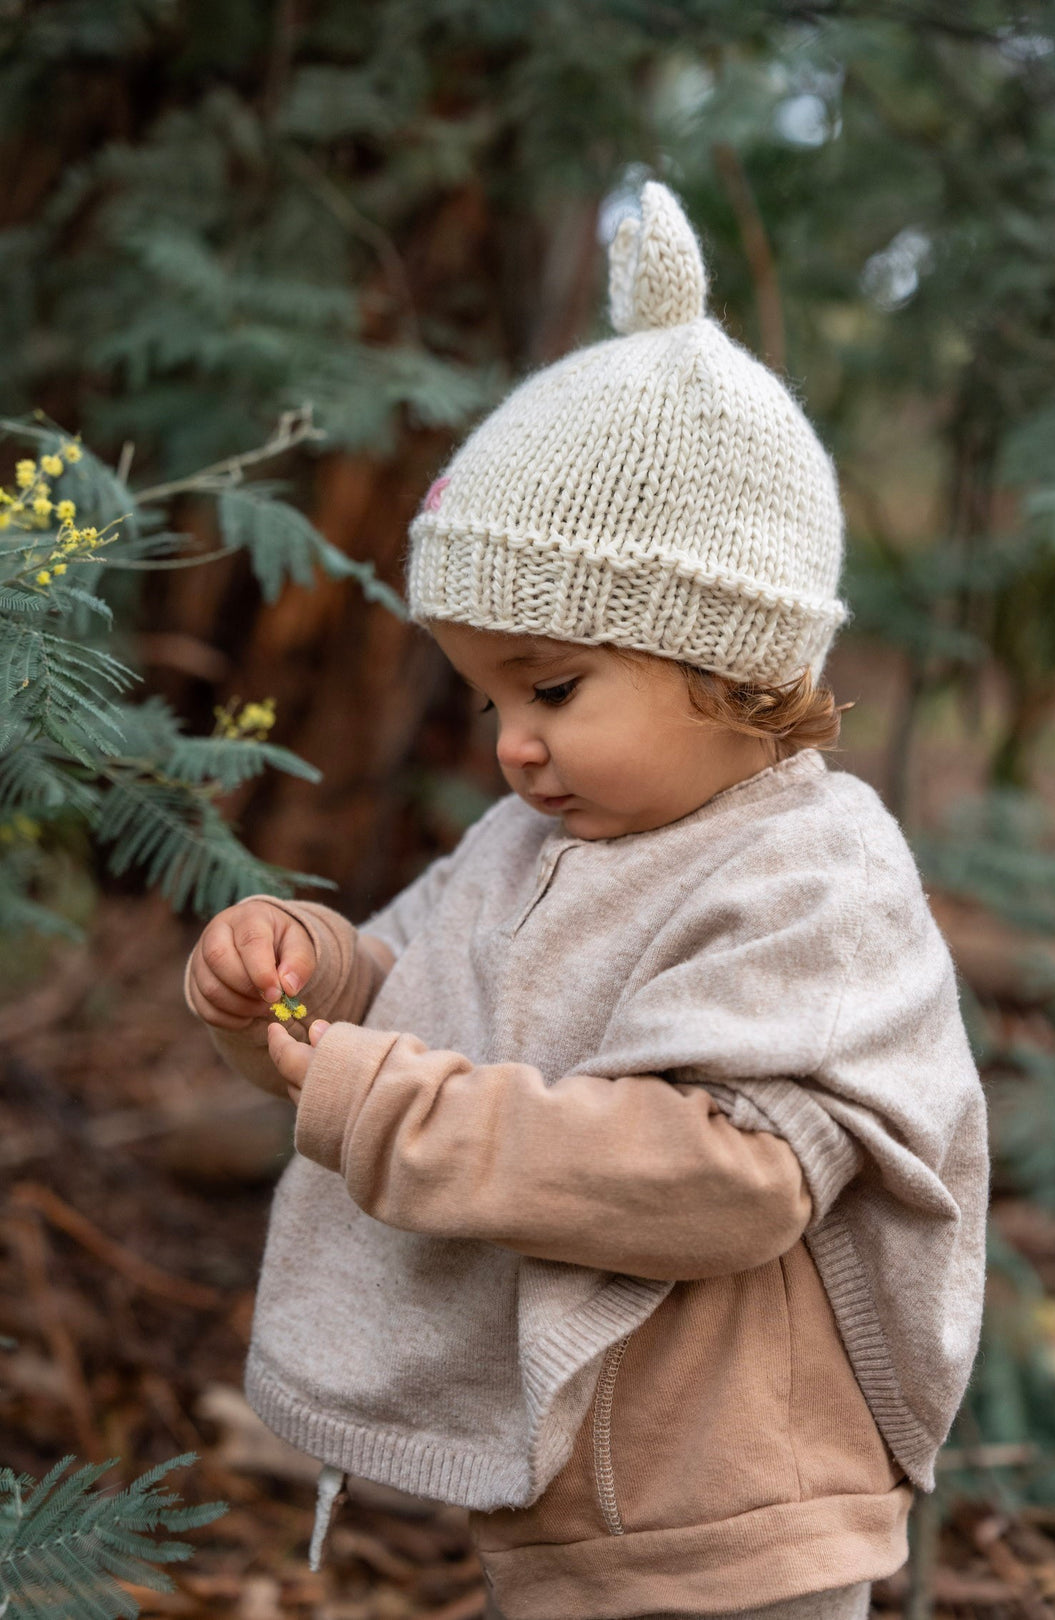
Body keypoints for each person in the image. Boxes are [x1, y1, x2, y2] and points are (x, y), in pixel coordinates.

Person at [185, 182, 988, 1620]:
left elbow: (728, 1176)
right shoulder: (523, 840)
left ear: (732, 663)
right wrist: (297, 977)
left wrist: (384, 1108)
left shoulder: (811, 872)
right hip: (579, 1495)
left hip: (738, 1509)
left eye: (551, 688)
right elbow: (408, 994)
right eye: (487, 695)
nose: (512, 743)